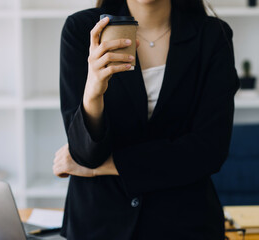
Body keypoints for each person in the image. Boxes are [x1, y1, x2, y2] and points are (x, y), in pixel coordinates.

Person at [53, 0, 239, 239]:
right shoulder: (83, 30)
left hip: (184, 224)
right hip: (99, 224)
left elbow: (209, 150)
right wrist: (93, 94)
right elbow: (86, 154)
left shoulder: (213, 36)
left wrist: (109, 166)